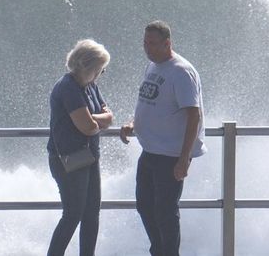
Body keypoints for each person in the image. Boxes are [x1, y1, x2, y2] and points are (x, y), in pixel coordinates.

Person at [120, 21, 205, 256]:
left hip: (171, 155)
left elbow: (193, 115)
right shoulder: (153, 65)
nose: (147, 48)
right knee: (144, 205)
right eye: (145, 43)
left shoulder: (181, 71)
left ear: (168, 43)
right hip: (150, 151)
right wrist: (133, 123)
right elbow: (152, 102)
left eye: (153, 44)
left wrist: (183, 158)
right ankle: (159, 251)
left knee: (165, 212)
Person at [46, 39, 113, 256]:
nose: (101, 74)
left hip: (89, 156)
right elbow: (88, 128)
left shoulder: (90, 86)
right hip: (68, 158)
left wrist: (92, 118)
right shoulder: (68, 87)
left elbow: (108, 116)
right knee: (73, 213)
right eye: (101, 70)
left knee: (92, 213)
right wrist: (93, 122)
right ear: (89, 67)